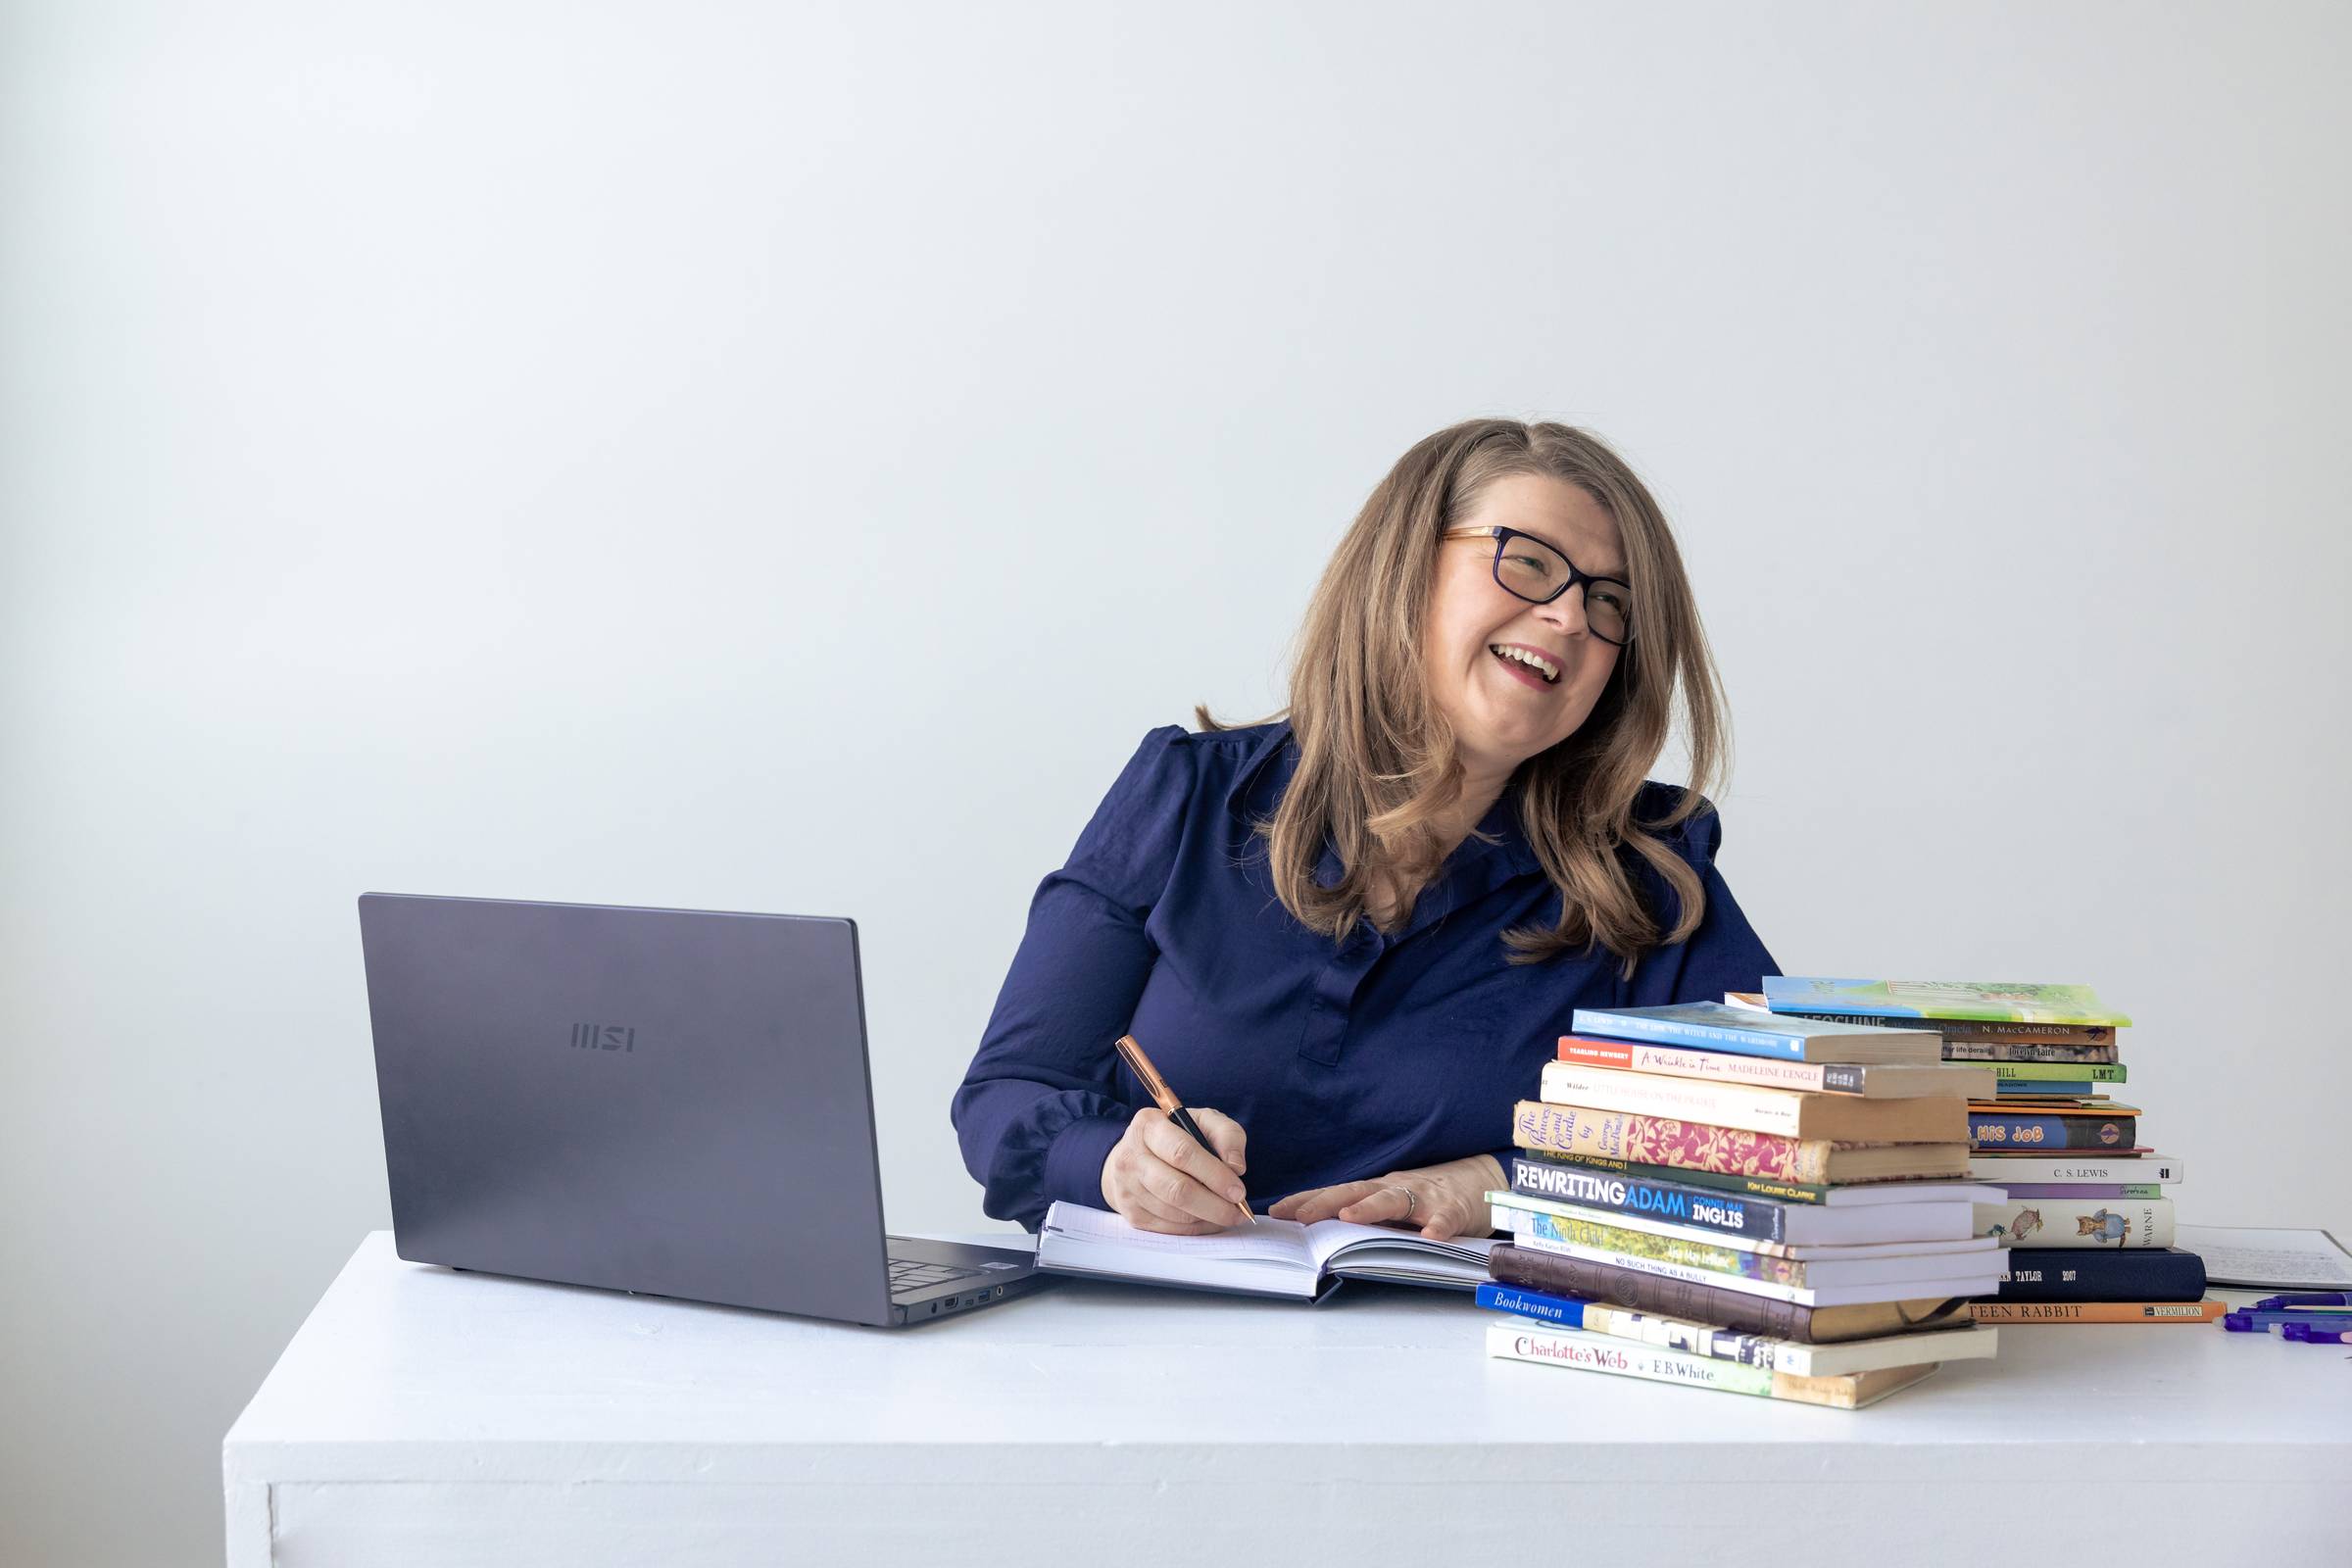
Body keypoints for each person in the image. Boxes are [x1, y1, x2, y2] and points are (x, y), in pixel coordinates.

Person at [950, 417, 1779, 1243]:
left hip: (1479, 1360)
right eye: (1529, 563)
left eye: (1610, 603)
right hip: (1136, 1354)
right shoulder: (1188, 792)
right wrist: (1109, 1162)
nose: (1570, 617)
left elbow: (1785, 1137)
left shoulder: (1652, 866)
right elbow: (1005, 1095)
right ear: (1404, 568)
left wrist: (1507, 1183)